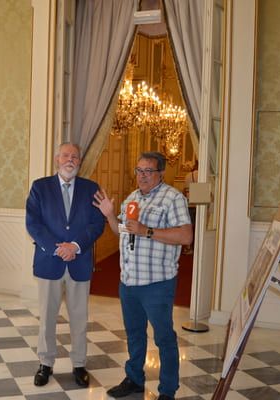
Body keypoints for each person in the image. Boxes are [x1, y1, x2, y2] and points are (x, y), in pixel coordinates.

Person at [93, 151, 192, 400]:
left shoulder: (173, 198)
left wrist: (147, 230)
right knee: (134, 334)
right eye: (139, 170)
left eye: (149, 171)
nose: (142, 176)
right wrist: (109, 215)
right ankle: (135, 379)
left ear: (161, 173)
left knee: (164, 338)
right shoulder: (132, 198)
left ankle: (167, 391)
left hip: (157, 284)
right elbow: (122, 231)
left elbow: (186, 236)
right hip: (129, 282)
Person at [26, 142, 105, 388]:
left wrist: (75, 246)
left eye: (75, 157)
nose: (70, 160)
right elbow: (33, 223)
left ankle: (79, 363)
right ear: (57, 159)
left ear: (80, 162)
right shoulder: (40, 187)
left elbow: (97, 224)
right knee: (47, 317)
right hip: (49, 261)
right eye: (66, 155)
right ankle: (45, 363)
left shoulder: (91, 189)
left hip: (79, 263)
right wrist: (57, 248)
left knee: (79, 318)